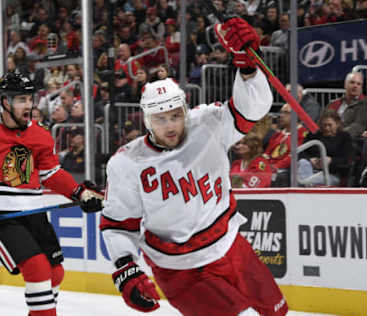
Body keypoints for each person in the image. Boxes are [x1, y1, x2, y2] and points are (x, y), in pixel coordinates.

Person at [100, 18, 287, 316]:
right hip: (181, 270)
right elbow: (119, 224)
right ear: (147, 120)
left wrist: (248, 65)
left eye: (175, 116)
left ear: (185, 110)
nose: (170, 126)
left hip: (232, 247)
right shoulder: (126, 162)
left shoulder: (207, 123)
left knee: (276, 313)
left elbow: (253, 109)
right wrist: (126, 269)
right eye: (160, 119)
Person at [0, 72, 104, 316]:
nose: (29, 106)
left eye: (30, 99)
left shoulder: (41, 133)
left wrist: (79, 193)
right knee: (38, 270)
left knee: (56, 273)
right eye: (21, 100)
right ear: (5, 102)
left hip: (33, 210)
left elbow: (51, 174)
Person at [298, 110, 353, 187]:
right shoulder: (314, 135)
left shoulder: (344, 137)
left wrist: (330, 160)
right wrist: (310, 159)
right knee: (303, 162)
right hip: (310, 169)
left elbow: (347, 159)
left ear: (337, 124)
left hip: (331, 174)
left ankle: (305, 187)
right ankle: (307, 187)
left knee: (304, 181)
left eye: (330, 125)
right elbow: (300, 152)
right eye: (324, 125)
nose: (327, 128)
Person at [325, 71, 367, 139]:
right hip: (329, 136)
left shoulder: (364, 103)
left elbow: (358, 126)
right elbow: (323, 121)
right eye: (352, 82)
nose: (355, 86)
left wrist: (338, 135)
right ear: (345, 85)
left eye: (358, 84)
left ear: (361, 88)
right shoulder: (333, 103)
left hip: (348, 140)